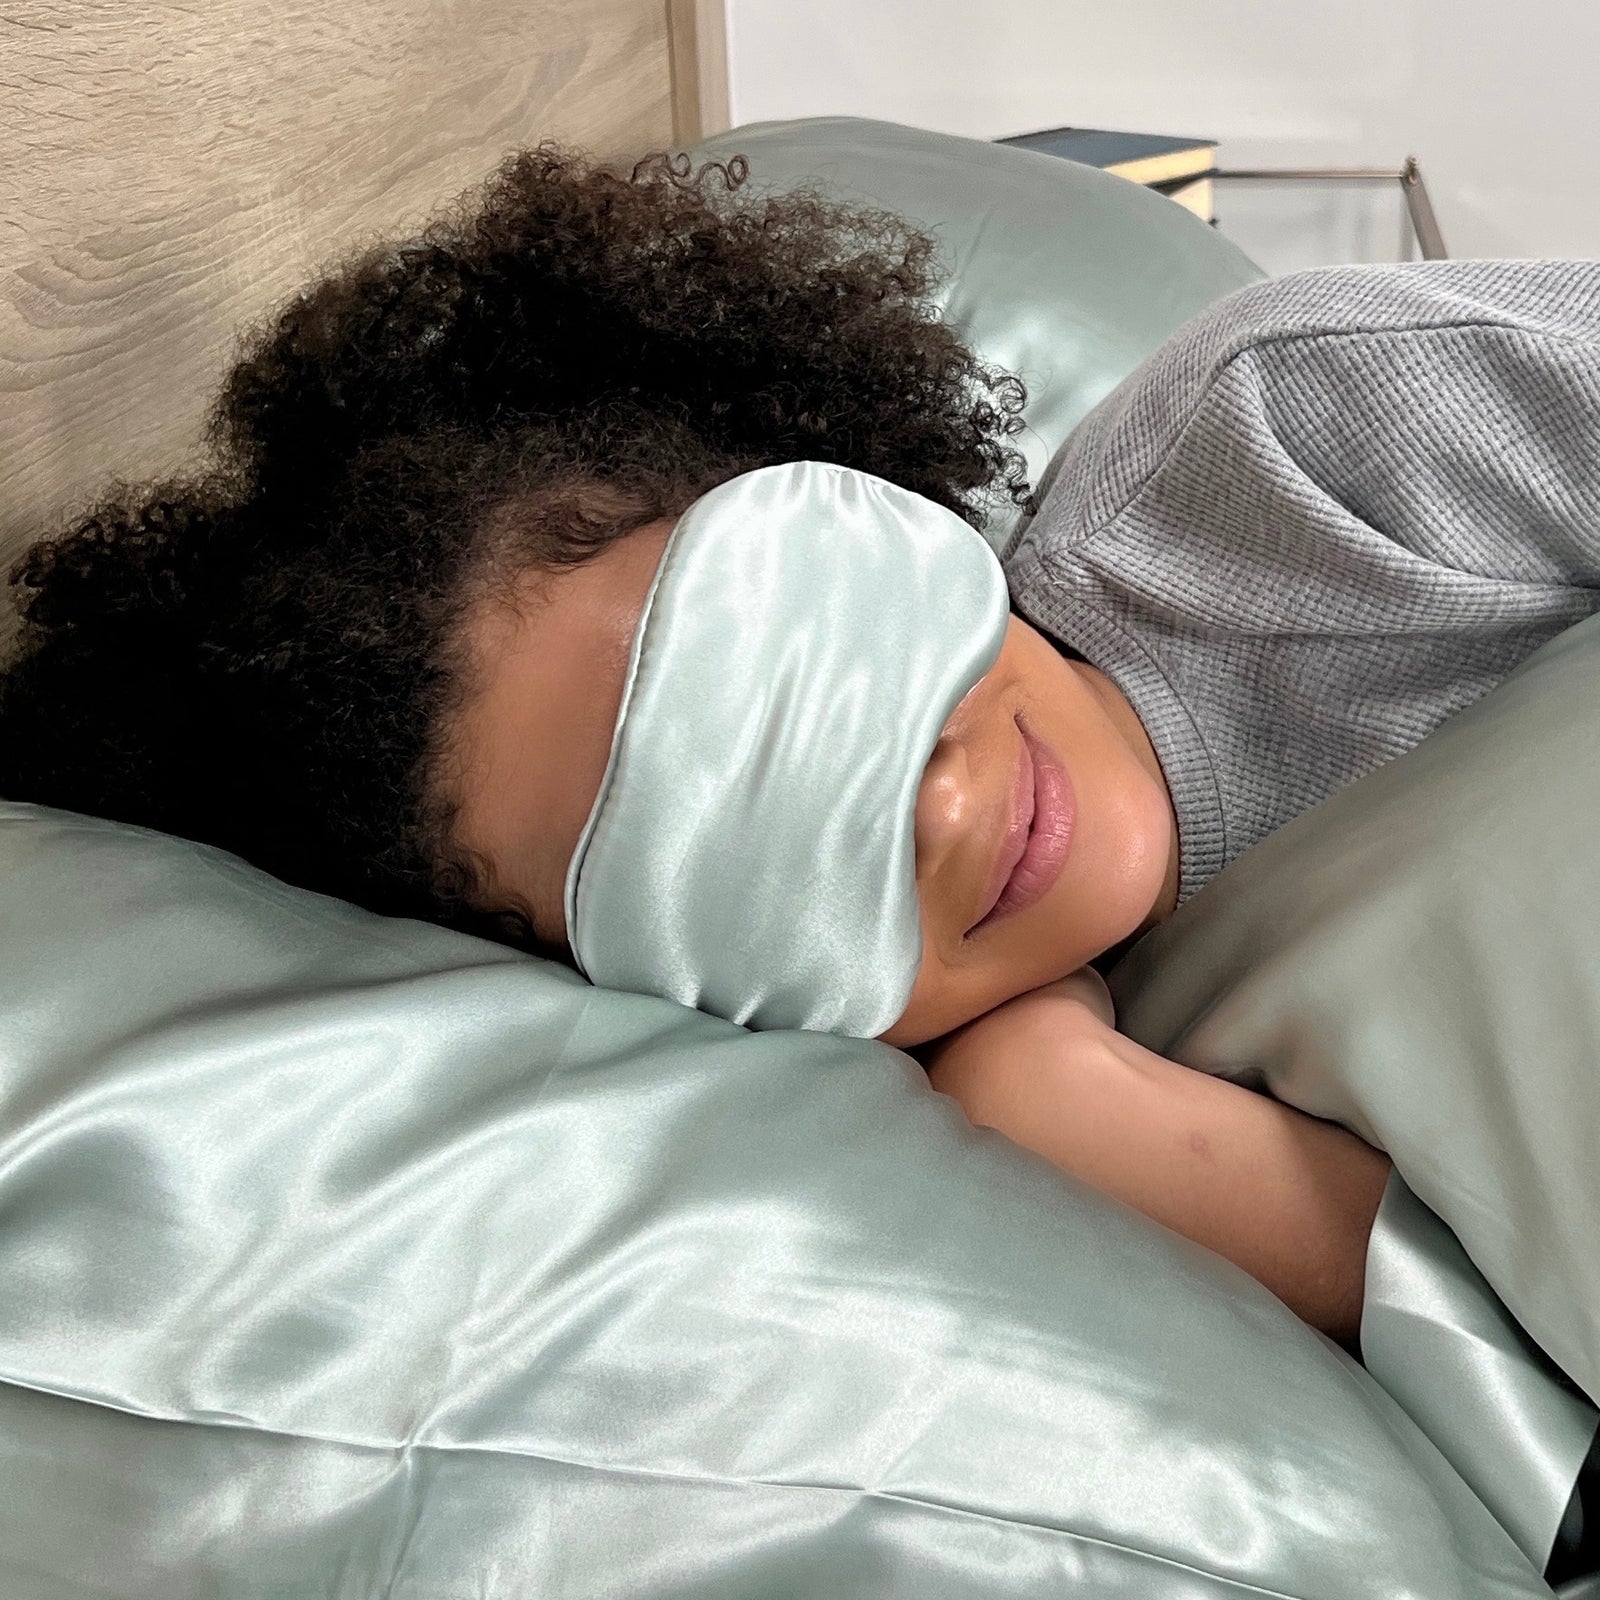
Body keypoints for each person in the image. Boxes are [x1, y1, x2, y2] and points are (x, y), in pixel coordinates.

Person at [5, 141, 1596, 1344]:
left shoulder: (1292, 437)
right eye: (719, 852)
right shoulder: (1019, 1130)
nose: (937, 803)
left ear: (838, 467)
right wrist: (1087, 1124)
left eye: (799, 643)